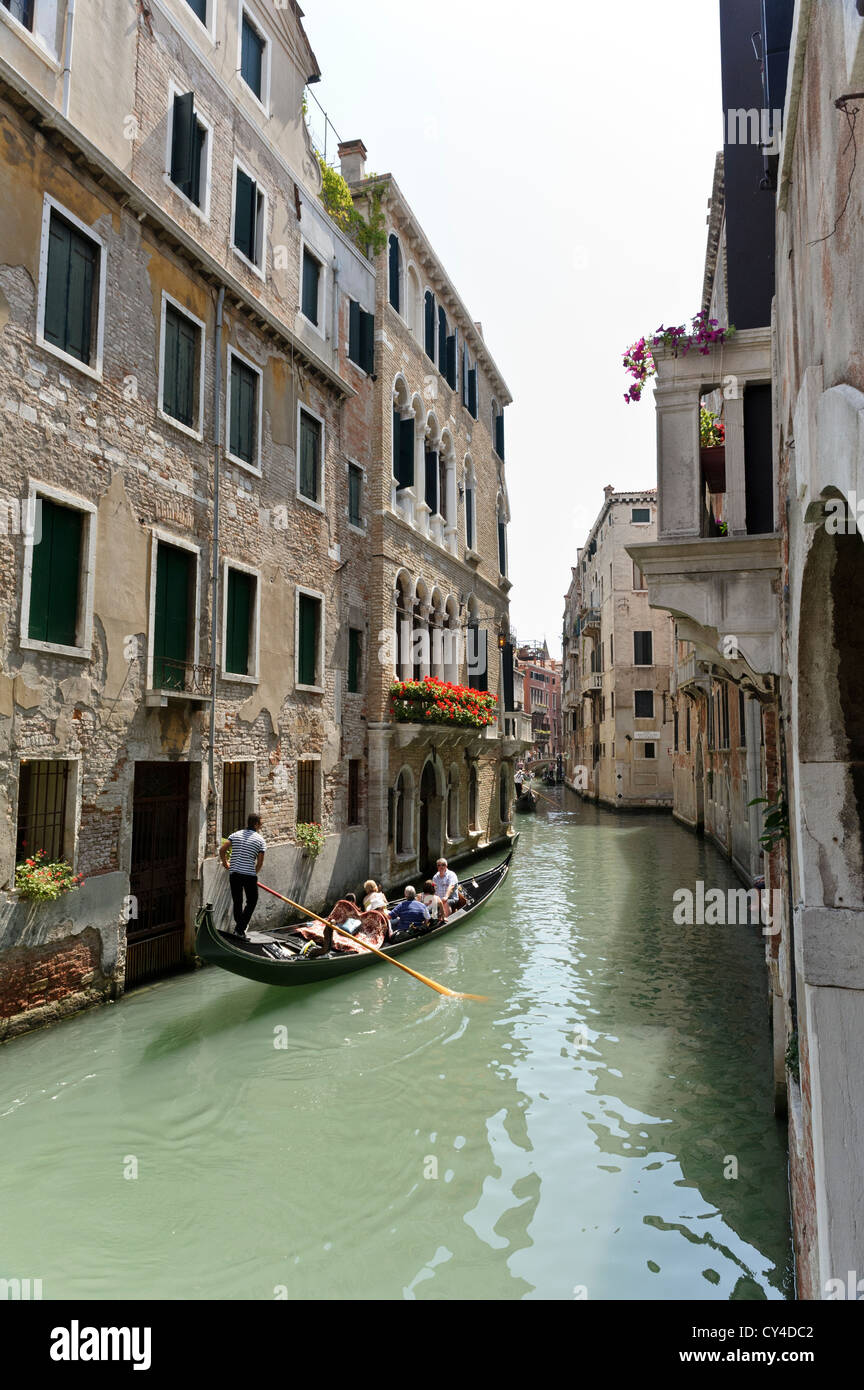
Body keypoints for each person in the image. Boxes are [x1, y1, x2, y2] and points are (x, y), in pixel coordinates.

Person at [219, 813, 266, 938]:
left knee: (237, 901)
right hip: (249, 875)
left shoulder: (236, 834)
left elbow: (222, 850)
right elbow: (260, 862)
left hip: (234, 873)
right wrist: (253, 873)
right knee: (252, 901)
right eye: (261, 824)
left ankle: (239, 928)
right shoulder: (260, 840)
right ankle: (240, 929)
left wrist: (225, 863)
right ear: (255, 824)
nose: (261, 826)